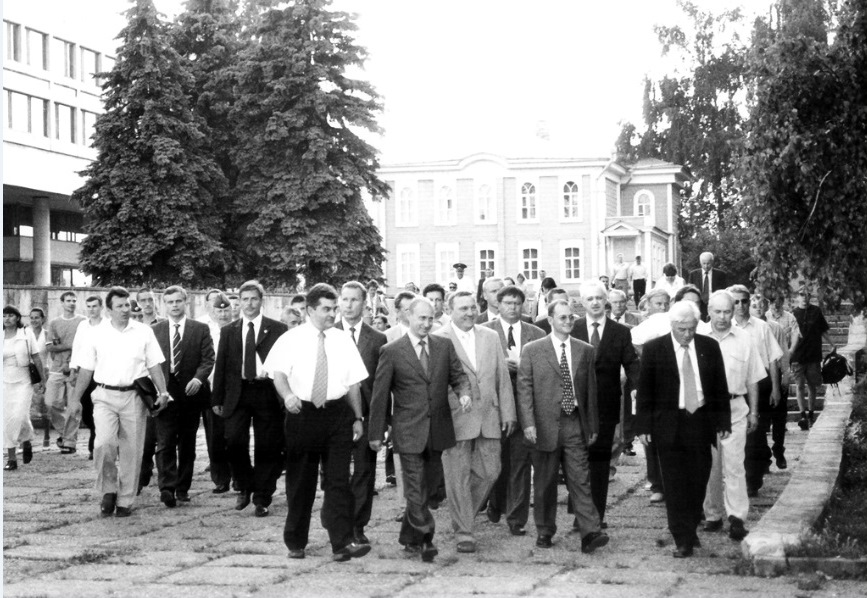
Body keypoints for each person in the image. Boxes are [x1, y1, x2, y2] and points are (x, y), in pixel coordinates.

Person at [265, 283, 371, 562]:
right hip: (303, 414)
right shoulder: (291, 339)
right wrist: (288, 396)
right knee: (301, 481)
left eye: (334, 308)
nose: (332, 314)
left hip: (337, 415)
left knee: (339, 481)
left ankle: (341, 543)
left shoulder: (342, 340)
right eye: (326, 309)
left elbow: (353, 384)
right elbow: (279, 375)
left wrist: (357, 417)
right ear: (310, 310)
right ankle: (296, 541)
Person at [369, 297, 471, 562]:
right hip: (408, 430)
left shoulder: (443, 346)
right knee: (414, 486)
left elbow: (458, 376)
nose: (426, 323)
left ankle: (409, 538)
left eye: (430, 318)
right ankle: (426, 538)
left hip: (438, 429)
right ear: (408, 317)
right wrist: (376, 433)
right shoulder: (392, 351)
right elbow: (380, 395)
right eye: (421, 318)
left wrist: (464, 393)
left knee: (428, 488)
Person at [635, 301, 731, 557]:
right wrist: (643, 426)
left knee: (699, 479)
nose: (687, 334)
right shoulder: (655, 349)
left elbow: (719, 385)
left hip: (700, 420)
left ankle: (690, 526)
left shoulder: (709, 347)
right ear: (672, 325)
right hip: (669, 423)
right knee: (675, 483)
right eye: (682, 329)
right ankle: (682, 538)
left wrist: (723, 421)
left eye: (691, 328)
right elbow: (645, 390)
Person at [68, 287, 171, 517]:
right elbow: (86, 369)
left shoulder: (143, 332)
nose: (125, 310)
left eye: (127, 305)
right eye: (120, 306)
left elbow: (154, 365)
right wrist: (75, 400)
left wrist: (163, 392)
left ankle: (125, 499)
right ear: (109, 310)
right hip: (104, 395)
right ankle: (108, 490)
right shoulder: (96, 334)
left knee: (132, 450)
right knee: (103, 444)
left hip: (134, 397)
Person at [517, 299, 609, 553]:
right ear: (550, 320)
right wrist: (528, 423)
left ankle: (590, 532)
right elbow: (524, 389)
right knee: (545, 482)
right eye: (563, 318)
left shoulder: (585, 350)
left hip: (574, 422)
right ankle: (545, 530)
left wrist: (592, 425)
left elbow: (590, 390)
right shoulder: (533, 350)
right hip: (543, 424)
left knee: (580, 479)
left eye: (571, 317)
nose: (568, 322)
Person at [434, 292, 516, 553]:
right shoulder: (439, 338)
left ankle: (463, 515)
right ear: (450, 310)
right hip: (455, 416)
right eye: (463, 308)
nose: (470, 313)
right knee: (457, 476)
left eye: (472, 307)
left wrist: (508, 412)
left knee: (491, 471)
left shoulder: (490, 336)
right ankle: (464, 533)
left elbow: (502, 376)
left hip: (489, 414)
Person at [211, 280, 288, 517]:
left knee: (267, 446)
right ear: (239, 302)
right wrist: (217, 398)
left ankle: (262, 496)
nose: (249, 304)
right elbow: (221, 364)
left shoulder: (277, 329)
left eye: (254, 299)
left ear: (261, 301)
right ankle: (244, 484)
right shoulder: (229, 330)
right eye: (245, 299)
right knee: (234, 440)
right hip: (238, 391)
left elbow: (286, 363)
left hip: (266, 391)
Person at [571, 281, 640, 529]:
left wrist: (636, 387)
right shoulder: (573, 328)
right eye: (590, 299)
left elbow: (631, 363)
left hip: (606, 405)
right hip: (576, 407)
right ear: (582, 302)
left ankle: (596, 516)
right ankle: (580, 514)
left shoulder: (619, 332)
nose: (595, 302)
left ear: (605, 301)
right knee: (577, 462)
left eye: (599, 298)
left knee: (600, 463)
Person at [699, 291, 764, 541]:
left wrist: (754, 412)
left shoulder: (744, 339)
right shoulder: (697, 336)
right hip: (706, 411)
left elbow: (753, 378)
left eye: (727, 311)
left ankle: (737, 517)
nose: (723, 317)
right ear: (709, 312)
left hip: (735, 407)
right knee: (710, 466)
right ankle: (713, 515)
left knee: (735, 466)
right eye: (718, 312)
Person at [483, 285, 545, 536]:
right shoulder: (485, 332)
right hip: (495, 407)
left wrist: (523, 367)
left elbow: (544, 369)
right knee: (496, 461)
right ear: (498, 305)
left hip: (525, 407)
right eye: (508, 303)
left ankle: (516, 518)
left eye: (517, 303)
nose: (512, 308)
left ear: (524, 306)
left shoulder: (536, 333)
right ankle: (495, 501)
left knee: (520, 462)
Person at [333, 281, 388, 546]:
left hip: (366, 415)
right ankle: (338, 522)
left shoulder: (377, 339)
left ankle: (358, 525)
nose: (349, 305)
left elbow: (382, 385)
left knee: (364, 472)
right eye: (344, 299)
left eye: (354, 300)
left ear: (364, 303)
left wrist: (382, 422)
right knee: (336, 473)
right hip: (334, 415)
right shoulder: (328, 334)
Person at [151, 286, 215, 507]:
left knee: (187, 443)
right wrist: (157, 389)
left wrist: (198, 379)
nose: (175, 305)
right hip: (165, 390)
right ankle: (167, 487)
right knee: (165, 441)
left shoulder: (200, 329)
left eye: (178, 301)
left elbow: (208, 358)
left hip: (191, 391)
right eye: (170, 302)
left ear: (186, 302)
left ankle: (182, 487)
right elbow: (149, 360)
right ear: (164, 305)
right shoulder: (156, 330)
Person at [729, 285, 783, 497]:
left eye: (744, 301)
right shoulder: (725, 326)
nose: (740, 305)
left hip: (759, 383)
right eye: (736, 301)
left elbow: (773, 359)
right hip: (734, 385)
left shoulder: (761, 327)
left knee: (756, 432)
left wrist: (776, 388)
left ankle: (752, 480)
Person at [630, 286, 672, 504]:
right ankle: (656, 483)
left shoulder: (675, 323)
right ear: (648, 305)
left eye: (666, 303)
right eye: (658, 303)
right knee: (650, 436)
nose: (663, 308)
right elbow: (637, 352)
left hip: (672, 388)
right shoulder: (641, 329)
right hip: (650, 388)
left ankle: (672, 482)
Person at [751, 295, 791, 470]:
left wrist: (786, 375)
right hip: (757, 378)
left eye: (761, 305)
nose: (758, 308)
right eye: (754, 305)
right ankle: (764, 456)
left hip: (775, 374)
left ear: (766, 307)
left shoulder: (775, 327)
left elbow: (783, 353)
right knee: (761, 419)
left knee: (779, 416)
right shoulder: (746, 329)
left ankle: (779, 449)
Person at [4, 306, 45, 470]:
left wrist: (42, 379)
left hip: (23, 381)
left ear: (17, 317)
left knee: (19, 415)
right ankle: (11, 458)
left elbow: (36, 357)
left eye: (10, 315)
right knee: (6, 420)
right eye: (4, 316)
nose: (7, 319)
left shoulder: (26, 333)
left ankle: (26, 439)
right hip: (4, 381)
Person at [45, 291, 86, 454]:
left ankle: (69, 442)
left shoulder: (83, 321)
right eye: (68, 300)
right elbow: (50, 346)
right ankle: (65, 434)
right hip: (57, 367)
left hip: (77, 369)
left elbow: (86, 346)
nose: (71, 303)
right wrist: (70, 345)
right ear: (62, 303)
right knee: (50, 403)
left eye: (74, 300)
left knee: (74, 406)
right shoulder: (54, 323)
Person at [790, 285, 835, 430]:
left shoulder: (816, 311)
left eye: (807, 294)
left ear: (810, 296)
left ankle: (810, 414)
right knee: (799, 385)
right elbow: (788, 334)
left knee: (812, 385)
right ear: (797, 297)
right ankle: (802, 415)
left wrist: (832, 344)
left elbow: (823, 330)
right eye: (801, 294)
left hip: (813, 354)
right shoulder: (793, 313)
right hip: (797, 355)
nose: (804, 297)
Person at [203, 292, 234, 494]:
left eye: (226, 310)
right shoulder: (207, 333)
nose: (223, 315)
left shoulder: (239, 330)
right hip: (212, 388)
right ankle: (220, 478)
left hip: (234, 390)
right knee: (215, 437)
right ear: (212, 312)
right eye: (219, 311)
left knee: (235, 435)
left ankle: (238, 476)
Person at [69, 295, 104, 460]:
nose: (92, 309)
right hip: (84, 373)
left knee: (101, 410)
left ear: (101, 307)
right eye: (89, 306)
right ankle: (94, 434)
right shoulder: (83, 325)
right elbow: (77, 347)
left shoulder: (108, 325)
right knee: (87, 411)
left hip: (102, 374)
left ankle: (94, 446)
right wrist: (73, 369)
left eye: (95, 306)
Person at [27, 307, 50, 447]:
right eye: (32, 318)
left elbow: (52, 353)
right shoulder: (26, 334)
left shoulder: (47, 334)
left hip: (44, 371)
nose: (34, 320)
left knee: (45, 404)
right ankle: (26, 439)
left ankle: (47, 435)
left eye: (37, 317)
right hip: (28, 372)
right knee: (27, 405)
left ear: (43, 319)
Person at [687, 252, 730, 321]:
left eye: (708, 263)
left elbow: (725, 292)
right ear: (700, 263)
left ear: (712, 262)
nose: (706, 266)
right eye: (704, 263)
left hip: (715, 304)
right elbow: (689, 291)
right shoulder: (693, 275)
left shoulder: (721, 275)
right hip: (699, 305)